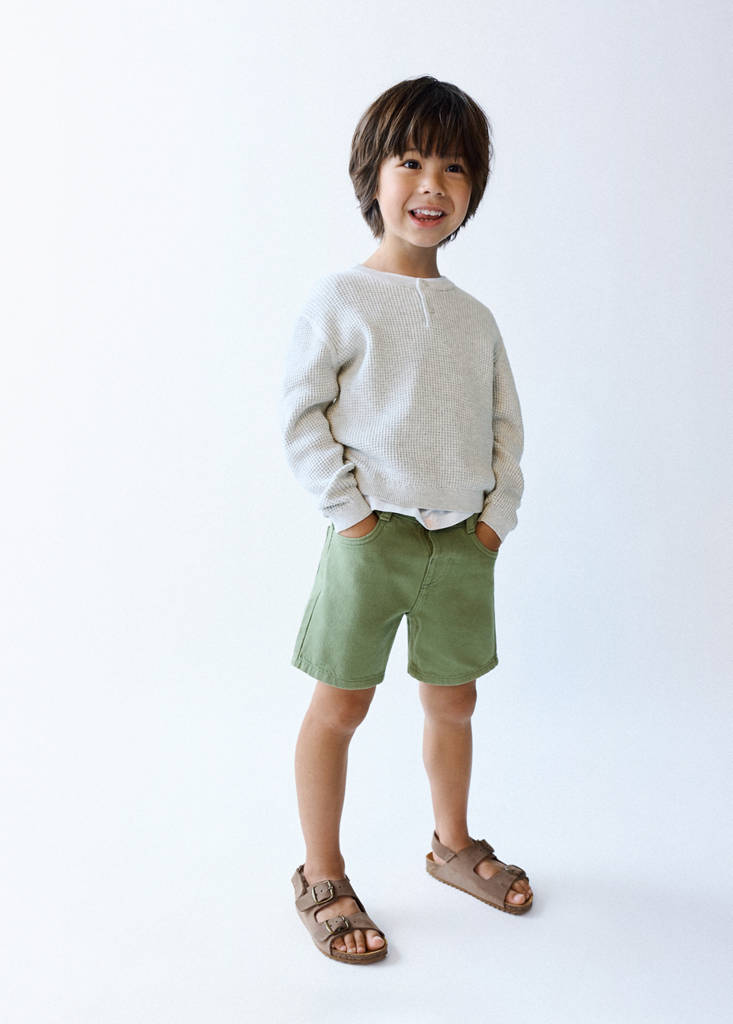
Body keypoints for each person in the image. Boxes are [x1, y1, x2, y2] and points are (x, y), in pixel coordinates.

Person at [279, 75, 532, 965]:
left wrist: (493, 520)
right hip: (370, 541)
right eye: (411, 161)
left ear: (472, 190)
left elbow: (505, 428)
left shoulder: (475, 318)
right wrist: (350, 518)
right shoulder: (340, 299)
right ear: (372, 176)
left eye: (454, 167)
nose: (432, 184)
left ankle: (450, 845)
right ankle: (320, 873)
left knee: (454, 699)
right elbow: (301, 416)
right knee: (340, 703)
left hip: (461, 544)